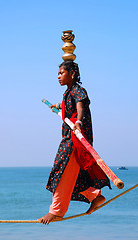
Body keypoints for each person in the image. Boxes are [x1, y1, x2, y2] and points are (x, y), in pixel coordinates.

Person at [37, 61, 111, 225]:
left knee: (61, 171)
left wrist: (78, 121)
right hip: (70, 137)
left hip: (74, 139)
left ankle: (56, 211)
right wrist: (58, 106)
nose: (58, 77)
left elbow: (80, 106)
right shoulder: (68, 92)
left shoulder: (78, 90)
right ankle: (95, 196)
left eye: (61, 73)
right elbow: (68, 104)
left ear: (71, 74)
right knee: (74, 176)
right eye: (57, 74)